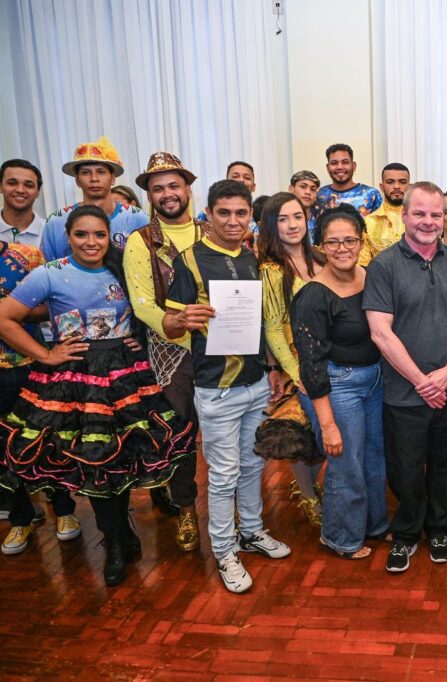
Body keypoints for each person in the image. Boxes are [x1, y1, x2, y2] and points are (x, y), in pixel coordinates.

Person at [0, 205, 195, 583]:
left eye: (99, 234)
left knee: (122, 457)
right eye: (81, 234)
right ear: (68, 237)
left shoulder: (122, 269)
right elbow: (5, 316)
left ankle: (122, 535)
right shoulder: (50, 272)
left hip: (125, 377)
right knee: (93, 460)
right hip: (76, 382)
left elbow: (148, 309)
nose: (91, 242)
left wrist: (138, 337)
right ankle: (116, 541)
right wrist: (45, 354)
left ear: (109, 237)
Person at [162, 179, 291, 594]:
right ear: (209, 215)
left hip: (256, 383)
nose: (233, 221)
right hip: (216, 387)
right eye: (224, 213)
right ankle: (224, 550)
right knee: (223, 474)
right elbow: (170, 324)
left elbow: (265, 324)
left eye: (241, 213)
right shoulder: (190, 260)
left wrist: (273, 368)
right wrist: (181, 320)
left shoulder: (254, 259)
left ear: (251, 215)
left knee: (253, 465)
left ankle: (251, 531)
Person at [363, 181, 447, 572]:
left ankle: (439, 529)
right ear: (404, 215)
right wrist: (422, 382)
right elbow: (381, 332)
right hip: (404, 393)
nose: (428, 222)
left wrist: (446, 375)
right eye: (420, 213)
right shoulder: (383, 265)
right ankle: (407, 533)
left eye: (436, 214)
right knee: (406, 469)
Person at [123, 151, 209, 552]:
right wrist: (171, 323)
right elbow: (142, 303)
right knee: (180, 435)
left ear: (187, 188)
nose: (167, 193)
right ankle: (186, 509)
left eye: (174, 185)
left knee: (226, 435)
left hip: (221, 349)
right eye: (158, 188)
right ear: (149, 196)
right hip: (173, 354)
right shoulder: (141, 241)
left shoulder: (211, 231)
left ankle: (237, 512)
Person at [291, 208, 387, 560]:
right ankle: (341, 538)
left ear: (362, 242)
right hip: (338, 385)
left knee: (374, 458)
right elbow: (311, 365)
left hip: (375, 379)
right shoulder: (312, 295)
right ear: (321, 245)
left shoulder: (372, 277)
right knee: (346, 463)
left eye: (350, 240)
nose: (343, 248)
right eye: (333, 242)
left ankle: (375, 525)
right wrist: (328, 424)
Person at [0, 232, 78, 553]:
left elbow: (54, 304)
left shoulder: (27, 256)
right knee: (3, 448)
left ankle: (64, 510)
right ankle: (21, 518)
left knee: (48, 438)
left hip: (30, 364)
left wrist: (14, 308)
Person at [256, 192, 327, 527]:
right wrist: (296, 372)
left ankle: (314, 488)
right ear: (271, 226)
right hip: (296, 362)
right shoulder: (271, 270)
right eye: (282, 219)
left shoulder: (321, 256)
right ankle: (309, 496)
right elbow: (272, 327)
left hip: (331, 357)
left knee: (328, 433)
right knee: (301, 434)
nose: (292, 225)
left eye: (297, 216)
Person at [40, 137, 148, 261]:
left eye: (101, 172)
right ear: (77, 180)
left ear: (113, 179)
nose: (94, 179)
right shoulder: (56, 223)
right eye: (85, 172)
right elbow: (48, 268)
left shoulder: (139, 219)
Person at [311, 144, 383, 240]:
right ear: (328, 167)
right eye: (334, 163)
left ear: (353, 166)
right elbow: (312, 231)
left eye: (345, 162)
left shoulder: (371, 195)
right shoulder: (318, 195)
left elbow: (381, 233)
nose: (339, 167)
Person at [195, 162, 260, 242]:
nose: (241, 180)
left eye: (247, 177)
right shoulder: (205, 215)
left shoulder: (260, 215)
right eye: (235, 176)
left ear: (254, 187)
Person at [362, 163, 411, 263]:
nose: (396, 186)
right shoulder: (367, 223)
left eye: (402, 182)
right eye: (390, 182)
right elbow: (363, 265)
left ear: (409, 186)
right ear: (382, 187)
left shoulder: (420, 220)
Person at [1, 159, 45, 248]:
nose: (20, 190)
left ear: (38, 192)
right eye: (12, 183)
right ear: (0, 187)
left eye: (29, 185)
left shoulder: (49, 232)